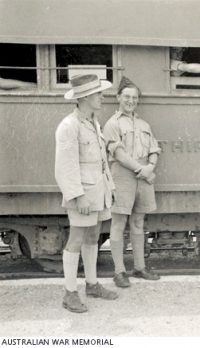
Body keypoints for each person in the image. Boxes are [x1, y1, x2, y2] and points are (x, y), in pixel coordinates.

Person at [55, 74, 118, 313]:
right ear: (84, 97)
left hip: (98, 191)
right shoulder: (69, 126)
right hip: (82, 195)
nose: (102, 97)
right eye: (98, 94)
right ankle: (70, 294)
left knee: (93, 238)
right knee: (76, 240)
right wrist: (77, 195)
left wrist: (110, 188)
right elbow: (65, 166)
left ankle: (91, 285)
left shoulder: (93, 122)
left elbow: (101, 161)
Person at [103, 76, 161, 288]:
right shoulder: (112, 124)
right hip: (123, 175)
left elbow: (154, 149)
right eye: (127, 96)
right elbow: (118, 153)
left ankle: (139, 267)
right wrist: (142, 170)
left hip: (143, 175)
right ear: (118, 97)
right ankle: (119, 272)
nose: (130, 100)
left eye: (134, 97)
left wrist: (150, 167)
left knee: (138, 223)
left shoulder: (144, 124)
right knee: (118, 223)